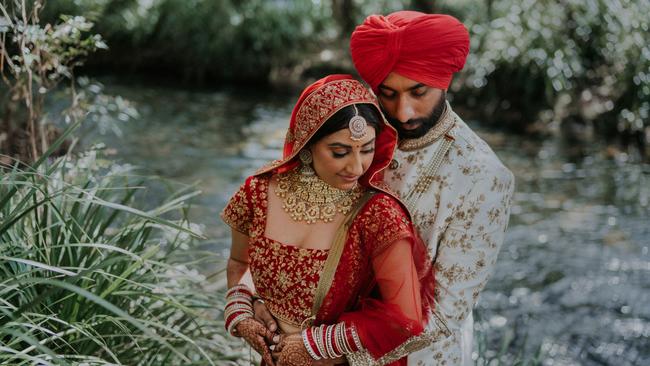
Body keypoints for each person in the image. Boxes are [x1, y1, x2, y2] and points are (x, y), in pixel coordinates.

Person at [221, 75, 443, 366]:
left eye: (367, 149)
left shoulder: (378, 214)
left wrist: (316, 346)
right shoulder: (258, 191)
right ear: (307, 146)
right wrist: (244, 312)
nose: (356, 166)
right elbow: (240, 263)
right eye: (339, 152)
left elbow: (406, 318)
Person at [349, 11, 516, 365]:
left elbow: (441, 316)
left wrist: (325, 348)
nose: (403, 112)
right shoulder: (356, 130)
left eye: (418, 92)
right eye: (388, 93)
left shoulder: (483, 177)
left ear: (444, 80)